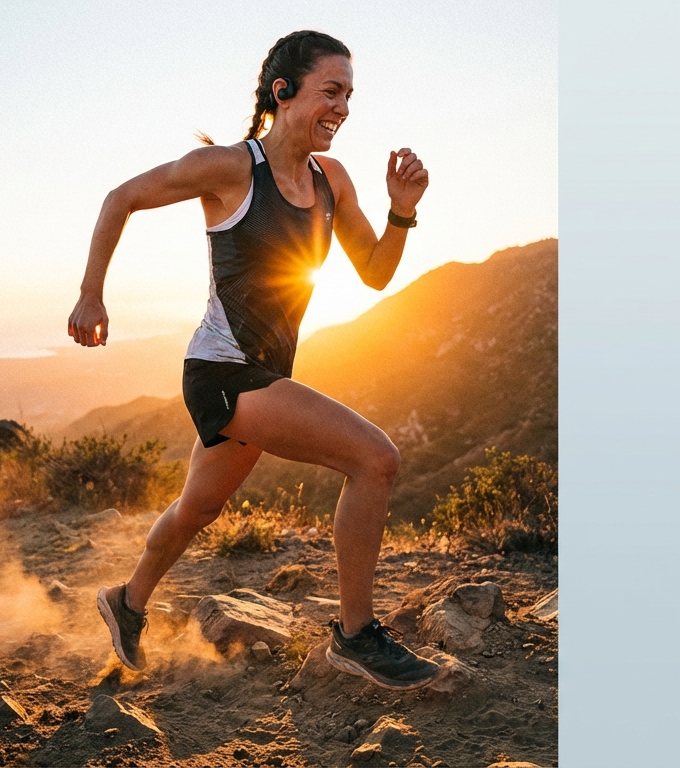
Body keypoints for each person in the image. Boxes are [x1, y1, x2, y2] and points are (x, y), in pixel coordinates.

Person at [67, 30, 437, 691]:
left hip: (264, 376)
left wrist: (401, 213)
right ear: (284, 91)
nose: (344, 108)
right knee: (375, 458)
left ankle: (126, 601)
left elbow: (376, 273)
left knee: (196, 510)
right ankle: (356, 637)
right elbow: (119, 198)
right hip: (223, 372)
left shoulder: (332, 180)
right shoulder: (230, 168)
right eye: (331, 91)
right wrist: (91, 294)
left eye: (350, 95)